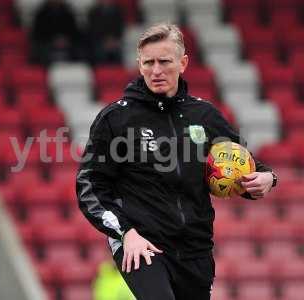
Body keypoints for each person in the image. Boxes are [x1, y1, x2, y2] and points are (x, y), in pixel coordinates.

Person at [76, 23, 277, 300]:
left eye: (164, 61)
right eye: (148, 62)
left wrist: (268, 178)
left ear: (183, 63)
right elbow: (89, 184)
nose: (156, 70)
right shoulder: (116, 119)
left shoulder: (204, 116)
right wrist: (126, 233)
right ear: (139, 64)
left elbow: (243, 163)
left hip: (196, 248)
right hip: (143, 245)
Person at [29, 0, 82, 65]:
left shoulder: (68, 12)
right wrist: (53, 41)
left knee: (78, 51)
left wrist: (65, 40)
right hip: (47, 43)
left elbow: (74, 32)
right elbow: (37, 34)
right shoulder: (41, 13)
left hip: (67, 44)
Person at [86, 0, 125, 65]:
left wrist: (113, 40)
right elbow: (93, 30)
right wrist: (105, 41)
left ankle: (117, 72)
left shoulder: (118, 11)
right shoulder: (93, 12)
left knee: (118, 51)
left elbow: (120, 28)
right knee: (98, 51)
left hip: (114, 41)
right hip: (99, 41)